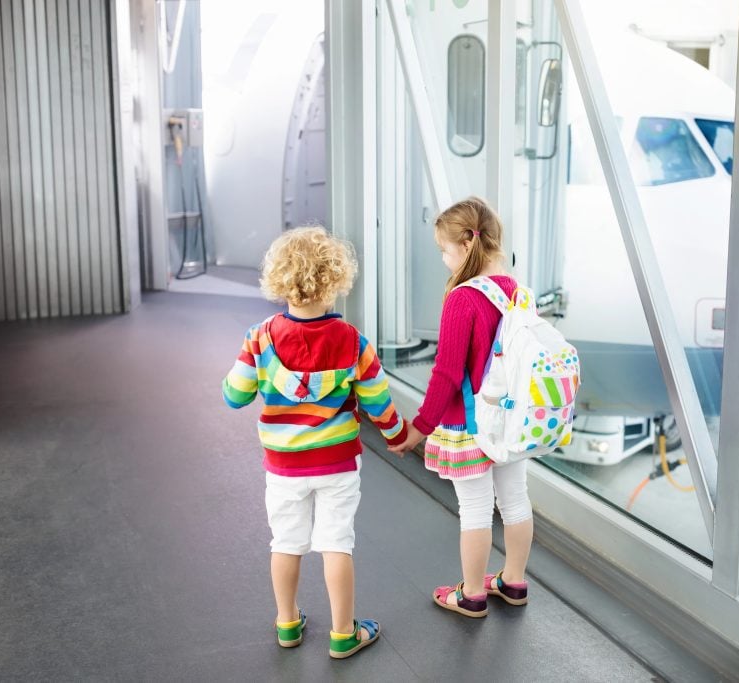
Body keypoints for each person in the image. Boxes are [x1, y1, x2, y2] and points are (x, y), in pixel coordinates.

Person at [223, 226, 408, 657]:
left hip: (284, 467)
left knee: (285, 542)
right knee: (336, 543)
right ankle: (344, 633)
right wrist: (400, 438)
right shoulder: (354, 343)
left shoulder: (259, 338)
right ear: (335, 279)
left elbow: (234, 396)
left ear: (279, 278)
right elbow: (380, 407)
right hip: (338, 465)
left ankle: (287, 623)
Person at [391, 197, 532, 617]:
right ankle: (514, 580)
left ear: (467, 243)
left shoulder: (463, 298)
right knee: (515, 500)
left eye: (444, 249)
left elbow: (448, 373)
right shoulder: (518, 292)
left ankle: (471, 593)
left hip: (470, 423)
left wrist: (419, 426)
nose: (443, 258)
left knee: (474, 507)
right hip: (511, 419)